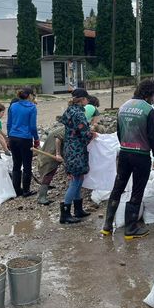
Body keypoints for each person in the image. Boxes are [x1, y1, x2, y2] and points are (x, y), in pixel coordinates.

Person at [101, 79, 154, 239]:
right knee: (137, 190)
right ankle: (130, 228)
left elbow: (119, 132)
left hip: (124, 153)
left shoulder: (123, 106)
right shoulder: (148, 109)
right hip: (141, 156)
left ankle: (107, 226)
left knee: (118, 187)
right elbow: (152, 136)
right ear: (149, 94)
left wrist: (125, 146)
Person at [59, 88, 98, 224]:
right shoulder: (79, 114)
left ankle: (78, 209)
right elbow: (84, 133)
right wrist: (92, 134)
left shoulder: (69, 111)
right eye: (86, 98)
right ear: (82, 99)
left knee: (78, 178)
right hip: (77, 150)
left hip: (69, 149)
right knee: (76, 180)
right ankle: (65, 213)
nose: (87, 100)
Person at [7, 87, 40, 197]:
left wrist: (9, 137)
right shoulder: (32, 108)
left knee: (16, 164)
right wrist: (36, 139)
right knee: (27, 165)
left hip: (13, 137)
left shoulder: (13, 106)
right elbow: (32, 127)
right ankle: (26, 190)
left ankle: (16, 190)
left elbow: (9, 123)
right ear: (30, 95)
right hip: (25, 138)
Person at [36, 121, 65, 205]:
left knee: (48, 173)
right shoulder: (65, 131)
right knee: (48, 173)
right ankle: (41, 197)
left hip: (49, 151)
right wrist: (59, 154)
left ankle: (42, 195)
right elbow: (58, 140)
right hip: (50, 153)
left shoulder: (64, 129)